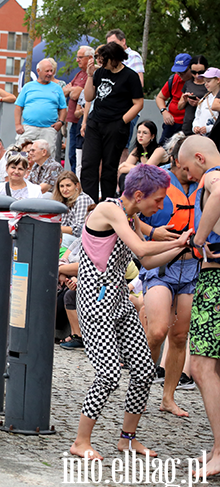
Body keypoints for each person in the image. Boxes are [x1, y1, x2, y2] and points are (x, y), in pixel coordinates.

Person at [69, 164, 190, 461]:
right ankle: (80, 441)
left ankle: (127, 440)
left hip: (119, 299)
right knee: (108, 374)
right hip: (95, 300)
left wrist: (184, 247)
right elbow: (141, 248)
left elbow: (147, 262)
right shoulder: (110, 210)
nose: (161, 205)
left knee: (144, 370)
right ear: (138, 194)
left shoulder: (131, 215)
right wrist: (176, 241)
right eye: (158, 200)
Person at [136, 134, 198, 417]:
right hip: (160, 266)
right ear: (176, 161)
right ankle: (140, 388)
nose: (192, 171)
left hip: (192, 267)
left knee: (180, 335)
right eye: (187, 165)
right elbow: (129, 210)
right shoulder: (156, 182)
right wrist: (150, 232)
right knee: (158, 330)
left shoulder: (205, 185)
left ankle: (168, 397)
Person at [178, 135, 220, 476]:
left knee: (202, 367)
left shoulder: (213, 176)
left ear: (199, 159)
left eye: (189, 169)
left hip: (215, 283)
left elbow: (218, 193)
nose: (189, 176)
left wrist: (199, 238)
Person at [80, 42, 145, 202]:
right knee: (89, 164)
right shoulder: (101, 72)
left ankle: (106, 202)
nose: (100, 63)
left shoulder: (130, 76)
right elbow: (89, 97)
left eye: (104, 59)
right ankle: (88, 202)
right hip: (96, 123)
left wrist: (122, 121)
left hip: (115, 126)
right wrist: (90, 75)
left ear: (114, 59)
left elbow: (138, 103)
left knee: (109, 167)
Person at [13, 58, 67, 155]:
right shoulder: (28, 86)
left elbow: (63, 108)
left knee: (47, 157)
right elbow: (18, 107)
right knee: (23, 155)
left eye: (51, 71)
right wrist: (18, 124)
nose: (50, 73)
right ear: (38, 71)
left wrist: (60, 122)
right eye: (47, 71)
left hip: (49, 129)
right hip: (29, 127)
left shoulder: (57, 88)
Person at [64, 46, 94, 174]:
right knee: (72, 155)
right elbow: (64, 91)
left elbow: (76, 95)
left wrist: (72, 90)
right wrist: (72, 90)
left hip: (83, 121)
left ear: (90, 58)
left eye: (80, 57)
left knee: (79, 156)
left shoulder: (90, 75)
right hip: (73, 120)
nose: (77, 60)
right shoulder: (79, 74)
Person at [156, 53, 195, 144]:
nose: (180, 74)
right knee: (162, 148)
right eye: (178, 71)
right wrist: (164, 111)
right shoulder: (174, 79)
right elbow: (160, 97)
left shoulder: (197, 81)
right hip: (172, 123)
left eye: (184, 72)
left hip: (189, 124)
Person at [53, 171, 95, 245]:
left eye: (68, 185)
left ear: (77, 186)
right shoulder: (64, 200)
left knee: (63, 238)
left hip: (84, 240)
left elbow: (79, 229)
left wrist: (53, 228)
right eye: (61, 186)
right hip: (68, 237)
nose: (64, 189)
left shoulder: (82, 199)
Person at [117, 121, 159, 190]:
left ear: (152, 136)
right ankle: (125, 198)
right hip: (144, 179)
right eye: (139, 132)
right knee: (124, 176)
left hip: (157, 182)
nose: (140, 135)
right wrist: (139, 168)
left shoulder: (158, 150)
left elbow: (147, 170)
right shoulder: (138, 150)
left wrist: (127, 165)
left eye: (145, 133)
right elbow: (122, 169)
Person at [180, 56, 210, 136]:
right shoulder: (188, 83)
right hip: (188, 125)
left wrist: (199, 104)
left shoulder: (209, 85)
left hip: (204, 128)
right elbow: (179, 106)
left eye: (201, 73)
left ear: (206, 70)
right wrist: (185, 99)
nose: (197, 76)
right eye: (193, 72)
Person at [193, 67, 220, 138]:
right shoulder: (204, 99)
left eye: (208, 81)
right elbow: (197, 116)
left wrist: (208, 128)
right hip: (202, 137)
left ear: (218, 80)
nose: (206, 84)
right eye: (205, 82)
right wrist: (196, 126)